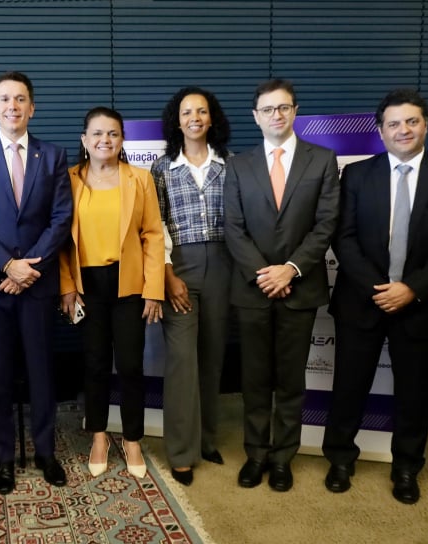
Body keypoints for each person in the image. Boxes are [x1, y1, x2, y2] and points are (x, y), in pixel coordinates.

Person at [322, 89, 428, 504]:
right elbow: (343, 237)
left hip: (422, 304)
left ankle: (407, 467)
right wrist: (380, 288)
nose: (403, 130)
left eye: (411, 121)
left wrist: (412, 289)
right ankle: (339, 458)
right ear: (380, 130)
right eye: (394, 123)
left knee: (414, 392)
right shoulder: (356, 174)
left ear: (425, 125)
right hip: (363, 300)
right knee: (349, 386)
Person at [0, 71, 73, 494]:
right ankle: (4, 457)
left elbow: (61, 218)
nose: (12, 106)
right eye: (4, 99)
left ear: (32, 107)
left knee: (42, 371)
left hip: (38, 284)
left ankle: (45, 452)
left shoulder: (54, 156)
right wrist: (8, 266)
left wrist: (28, 269)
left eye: (20, 99)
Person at [224, 78, 339, 492]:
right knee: (254, 377)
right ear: (256, 116)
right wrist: (265, 273)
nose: (276, 115)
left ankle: (282, 458)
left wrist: (290, 269)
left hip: (300, 288)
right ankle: (256, 453)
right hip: (254, 290)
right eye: (268, 109)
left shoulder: (322, 160)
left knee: (291, 379)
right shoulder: (238, 165)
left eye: (284, 107)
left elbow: (326, 224)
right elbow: (233, 229)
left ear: (294, 111)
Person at [59, 106, 164, 479]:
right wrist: (67, 287)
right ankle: (100, 436)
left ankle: (132, 438)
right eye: (98, 133)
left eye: (113, 134)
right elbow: (59, 239)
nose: (105, 140)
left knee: (132, 365)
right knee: (96, 364)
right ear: (84, 140)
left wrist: (154, 289)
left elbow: (152, 234)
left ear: (123, 140)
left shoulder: (139, 178)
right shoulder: (68, 179)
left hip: (130, 283)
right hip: (87, 286)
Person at [150, 87, 233, 486]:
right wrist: (167, 274)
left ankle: (207, 440)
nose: (195, 118)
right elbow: (155, 227)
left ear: (211, 118)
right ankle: (181, 452)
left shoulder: (232, 165)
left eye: (202, 111)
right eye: (187, 112)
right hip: (178, 265)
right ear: (177, 120)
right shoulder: (162, 168)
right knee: (183, 361)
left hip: (223, 266)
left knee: (212, 356)